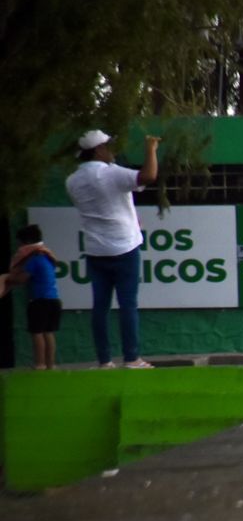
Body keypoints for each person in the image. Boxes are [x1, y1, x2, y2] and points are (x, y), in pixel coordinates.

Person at [65, 129, 160, 368]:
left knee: (100, 307)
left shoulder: (72, 181)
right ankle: (131, 358)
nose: (112, 150)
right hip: (124, 246)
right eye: (108, 146)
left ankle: (104, 360)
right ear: (98, 150)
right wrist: (151, 149)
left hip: (95, 250)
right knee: (128, 304)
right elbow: (148, 176)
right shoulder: (110, 173)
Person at [9, 224, 62, 369]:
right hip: (54, 299)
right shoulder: (47, 257)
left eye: (21, 244)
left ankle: (40, 363)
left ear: (27, 242)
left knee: (37, 332)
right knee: (48, 332)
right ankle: (50, 365)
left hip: (40, 301)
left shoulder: (34, 259)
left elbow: (22, 279)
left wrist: (7, 278)